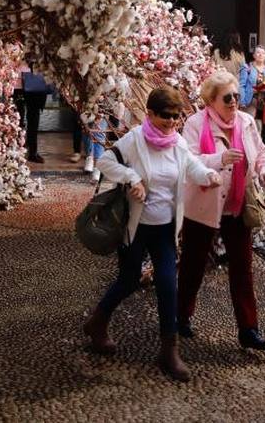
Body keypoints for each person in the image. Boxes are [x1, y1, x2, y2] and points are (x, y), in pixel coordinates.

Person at [83, 86, 221, 382]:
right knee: (130, 279)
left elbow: (191, 166)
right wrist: (132, 177)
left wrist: (208, 176)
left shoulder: (177, 142)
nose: (172, 122)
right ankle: (98, 321)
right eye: (165, 117)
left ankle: (169, 351)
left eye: (176, 116)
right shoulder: (135, 140)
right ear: (150, 114)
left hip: (165, 227)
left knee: (169, 285)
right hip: (136, 226)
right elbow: (107, 161)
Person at [177, 70, 265, 351]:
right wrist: (219, 159)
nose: (235, 102)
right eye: (228, 98)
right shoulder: (196, 123)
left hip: (237, 205)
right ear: (211, 101)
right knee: (193, 264)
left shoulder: (245, 122)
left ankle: (248, 329)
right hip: (204, 205)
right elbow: (189, 161)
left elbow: (262, 153)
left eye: (237, 96)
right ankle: (181, 315)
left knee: (243, 268)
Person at [22, 66, 52, 163]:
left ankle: (29, 148)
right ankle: (32, 152)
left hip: (31, 87)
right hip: (32, 89)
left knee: (31, 119)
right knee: (33, 120)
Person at [239, 44, 265, 122]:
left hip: (264, 102)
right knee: (249, 123)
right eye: (258, 53)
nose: (260, 55)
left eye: (263, 53)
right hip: (251, 100)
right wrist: (242, 101)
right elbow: (241, 85)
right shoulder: (247, 67)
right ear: (254, 55)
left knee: (261, 127)